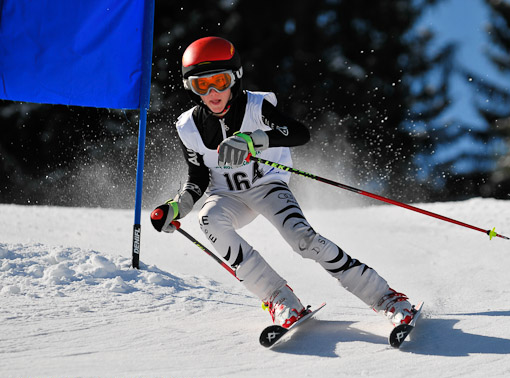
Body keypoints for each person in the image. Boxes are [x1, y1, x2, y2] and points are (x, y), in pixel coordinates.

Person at [151, 36, 414, 329]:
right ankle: (280, 299)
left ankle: (387, 298)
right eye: (202, 85)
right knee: (208, 219)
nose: (213, 92)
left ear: (235, 78)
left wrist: (255, 140)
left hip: (267, 186)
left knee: (302, 240)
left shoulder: (256, 105)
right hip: (226, 196)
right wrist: (177, 207)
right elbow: (197, 178)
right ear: (191, 88)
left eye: (221, 81)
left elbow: (299, 133)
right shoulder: (187, 126)